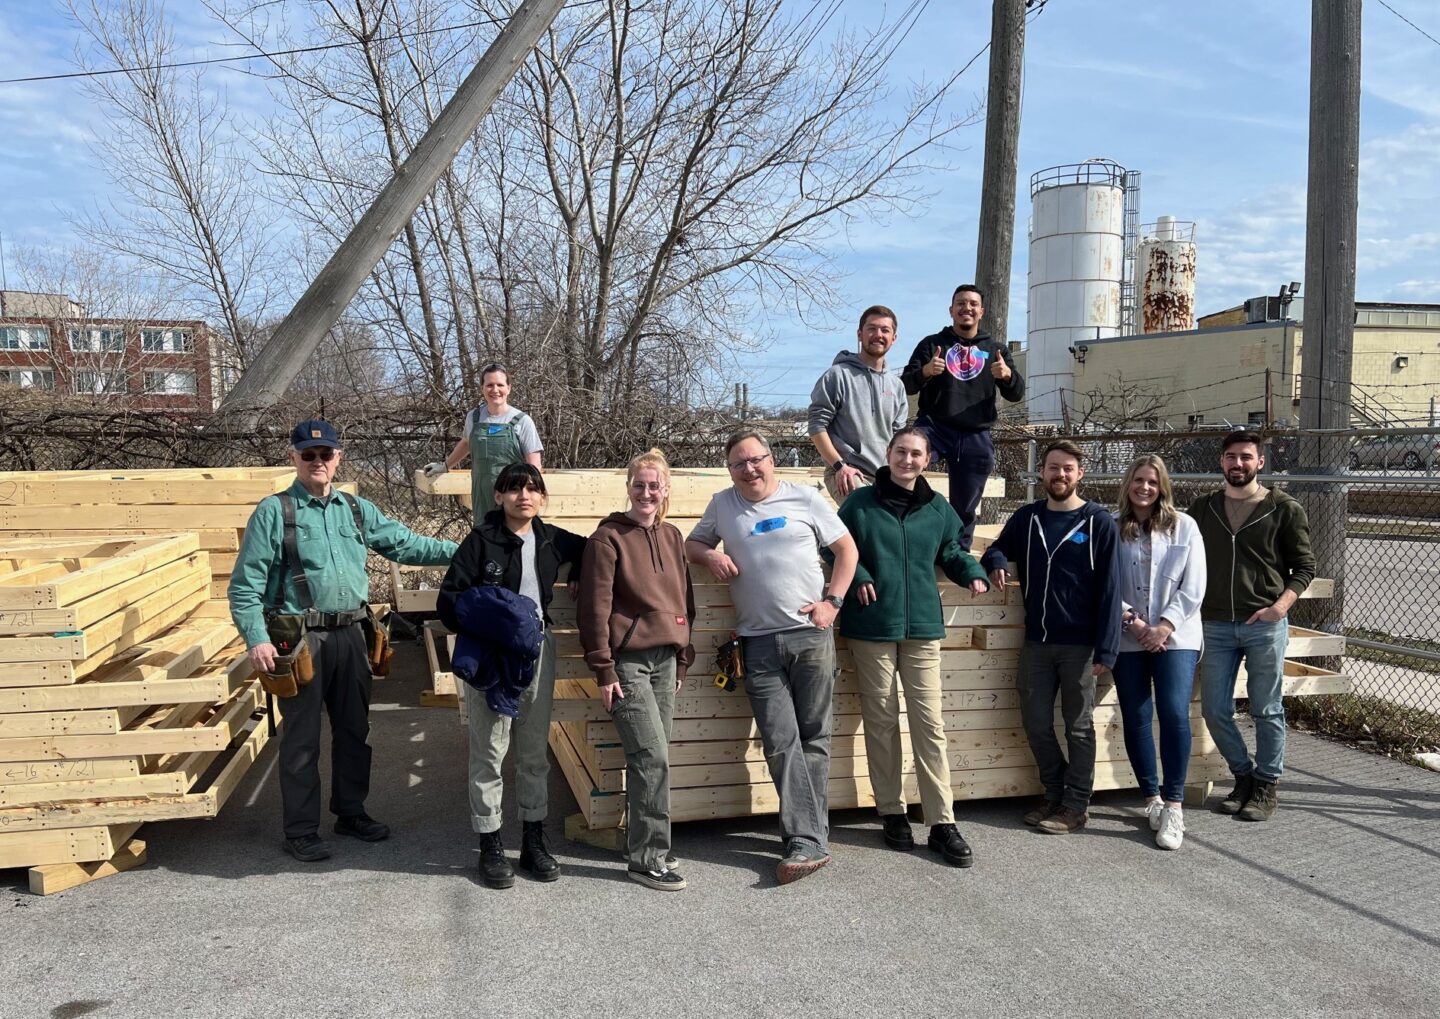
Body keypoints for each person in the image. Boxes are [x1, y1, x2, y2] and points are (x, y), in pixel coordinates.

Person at [229, 419, 458, 863]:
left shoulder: (356, 510)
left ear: (338, 459)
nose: (318, 462)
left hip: (354, 633)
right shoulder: (274, 512)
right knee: (302, 738)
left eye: (325, 454)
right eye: (308, 455)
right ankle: (300, 830)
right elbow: (244, 585)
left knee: (355, 730)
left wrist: (468, 549)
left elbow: (407, 545)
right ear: (294, 458)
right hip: (298, 641)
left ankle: (351, 812)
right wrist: (256, 638)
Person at [685, 429, 859, 884]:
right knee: (781, 741)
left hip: (810, 635)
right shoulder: (723, 505)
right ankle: (808, 837)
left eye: (757, 459)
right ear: (730, 469)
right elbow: (690, 544)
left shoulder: (805, 498)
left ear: (772, 460)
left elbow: (846, 550)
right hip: (757, 643)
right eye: (740, 463)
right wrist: (709, 556)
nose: (750, 468)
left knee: (814, 737)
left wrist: (832, 603)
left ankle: (806, 838)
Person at [832, 427, 990, 867]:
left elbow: (952, 551)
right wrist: (858, 577)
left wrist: (971, 571)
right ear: (888, 454)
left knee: (929, 724)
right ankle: (892, 812)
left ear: (928, 460)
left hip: (922, 626)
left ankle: (942, 821)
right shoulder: (859, 504)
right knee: (880, 721)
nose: (907, 459)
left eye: (916, 453)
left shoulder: (938, 508)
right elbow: (835, 549)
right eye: (900, 451)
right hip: (871, 626)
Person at [437, 462, 586, 888]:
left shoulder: (552, 539)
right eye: (514, 488)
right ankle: (490, 844)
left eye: (532, 488)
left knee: (534, 751)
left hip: (539, 650)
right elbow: (450, 602)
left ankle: (534, 841)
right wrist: (495, 618)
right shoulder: (481, 541)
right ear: (499, 496)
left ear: (542, 498)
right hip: (492, 657)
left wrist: (575, 569)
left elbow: (596, 548)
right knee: (489, 750)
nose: (524, 495)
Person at [980, 440, 1121, 835]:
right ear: (1041, 473)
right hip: (1037, 643)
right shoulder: (1028, 518)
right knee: (1036, 722)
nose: (1060, 475)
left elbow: (1113, 590)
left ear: (1081, 474)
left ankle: (1076, 805)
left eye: (1068, 469)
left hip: (1081, 645)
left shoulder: (1098, 522)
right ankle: (1054, 793)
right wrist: (994, 561)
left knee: (1078, 727)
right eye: (1053, 467)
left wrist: (1107, 649)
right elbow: (997, 547)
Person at [578, 448, 695, 892]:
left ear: (665, 490)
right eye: (639, 484)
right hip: (628, 664)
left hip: (667, 661)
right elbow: (595, 608)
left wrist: (684, 654)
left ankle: (650, 846)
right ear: (628, 487)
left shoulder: (673, 536)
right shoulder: (608, 539)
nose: (647, 492)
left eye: (655, 485)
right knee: (652, 757)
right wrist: (603, 669)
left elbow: (686, 600)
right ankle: (647, 859)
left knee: (654, 757)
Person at [1189, 430, 1314, 822]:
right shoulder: (1203, 508)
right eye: (1231, 457)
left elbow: (1304, 567)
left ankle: (1266, 786)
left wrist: (1279, 607)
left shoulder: (1283, 508)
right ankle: (1243, 775)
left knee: (1266, 708)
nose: (1237, 464)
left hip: (1264, 624)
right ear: (1221, 461)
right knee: (1214, 709)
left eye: (1246, 457)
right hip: (1215, 625)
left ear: (1260, 462)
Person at [1111, 454, 1207, 850]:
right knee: (1135, 715)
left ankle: (1174, 804)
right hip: (1128, 634)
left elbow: (1194, 584)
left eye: (1152, 481)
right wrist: (1133, 621)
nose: (1145, 488)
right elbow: (1104, 582)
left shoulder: (1185, 526)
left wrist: (1163, 626)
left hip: (1175, 636)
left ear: (1163, 486)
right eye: (1138, 480)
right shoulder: (1113, 527)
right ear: (1128, 484)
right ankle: (1150, 798)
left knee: (1172, 712)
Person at [901, 284, 1024, 549]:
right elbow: (907, 385)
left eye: (972, 304)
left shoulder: (996, 349)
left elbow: (1017, 394)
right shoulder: (932, 344)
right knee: (905, 463)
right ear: (951, 310)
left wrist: (1008, 376)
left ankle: (957, 552)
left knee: (966, 505)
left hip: (975, 432)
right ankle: (910, 529)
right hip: (934, 426)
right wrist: (925, 371)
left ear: (981, 311)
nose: (966, 308)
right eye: (960, 303)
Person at [808, 305, 909, 503]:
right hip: (847, 471)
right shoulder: (837, 376)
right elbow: (816, 426)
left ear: (894, 338)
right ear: (860, 334)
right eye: (872, 328)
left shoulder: (896, 386)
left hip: (885, 475)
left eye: (885, 330)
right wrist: (839, 466)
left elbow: (898, 437)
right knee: (868, 517)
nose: (878, 334)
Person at [423, 363, 544, 525]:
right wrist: (445, 466)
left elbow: (534, 467)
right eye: (489, 385)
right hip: (482, 496)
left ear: (509, 388)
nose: (495, 390)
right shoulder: (473, 418)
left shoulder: (522, 422)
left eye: (500, 385)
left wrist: (528, 499)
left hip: (512, 497)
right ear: (482, 389)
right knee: (484, 540)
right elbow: (467, 442)